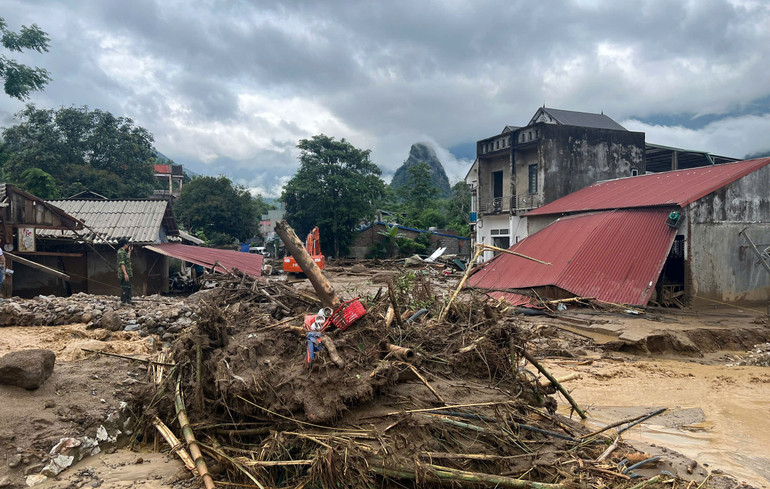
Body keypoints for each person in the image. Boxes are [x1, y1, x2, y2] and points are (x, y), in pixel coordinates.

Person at [116, 238, 134, 305]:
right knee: (125, 287)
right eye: (127, 244)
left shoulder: (124, 252)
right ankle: (123, 301)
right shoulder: (120, 252)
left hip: (129, 272)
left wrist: (129, 251)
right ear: (124, 244)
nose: (128, 245)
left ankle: (128, 300)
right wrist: (125, 274)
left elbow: (127, 259)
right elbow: (122, 263)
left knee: (129, 286)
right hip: (125, 273)